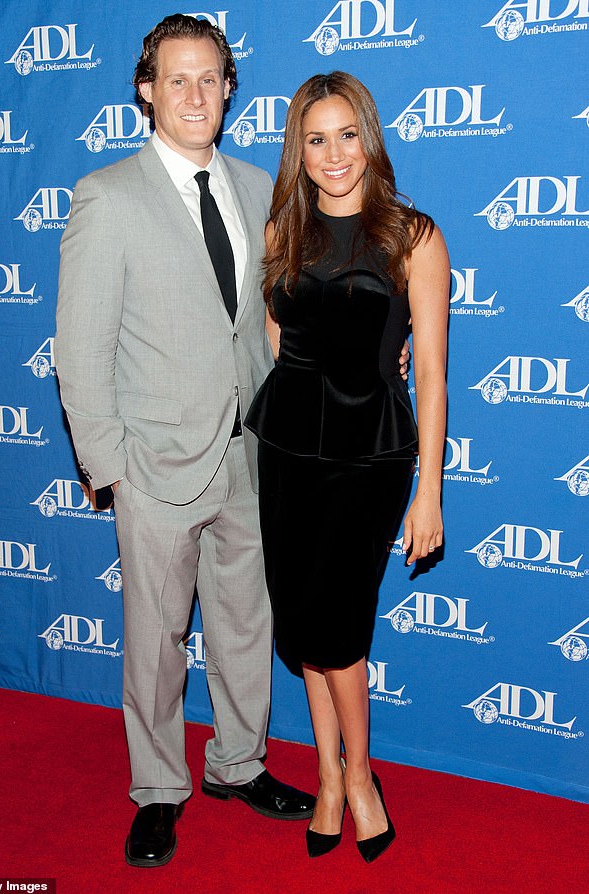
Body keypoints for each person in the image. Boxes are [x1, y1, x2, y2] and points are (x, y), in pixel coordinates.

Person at [54, 14, 316, 869]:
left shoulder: (253, 186)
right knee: (156, 639)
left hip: (247, 459)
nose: (195, 94)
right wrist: (111, 470)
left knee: (246, 625)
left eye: (210, 78)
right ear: (146, 90)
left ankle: (238, 766)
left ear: (230, 88)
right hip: (155, 468)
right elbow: (81, 348)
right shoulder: (108, 196)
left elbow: (265, 325)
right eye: (177, 79)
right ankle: (159, 790)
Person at [244, 71, 449, 863]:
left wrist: (428, 491)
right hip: (288, 447)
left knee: (338, 628)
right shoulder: (281, 232)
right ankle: (327, 779)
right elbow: (274, 334)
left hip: (370, 454)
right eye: (315, 138)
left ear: (371, 136)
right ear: (299, 146)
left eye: (347, 134)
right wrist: (299, 395)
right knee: (303, 622)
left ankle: (359, 776)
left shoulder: (412, 237)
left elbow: (429, 369)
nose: (333, 154)